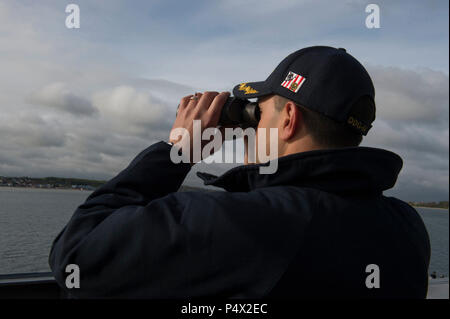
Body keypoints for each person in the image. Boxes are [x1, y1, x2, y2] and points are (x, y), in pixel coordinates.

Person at [49, 46, 430, 298]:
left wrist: (179, 150)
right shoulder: (406, 226)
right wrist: (260, 173)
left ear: (290, 119)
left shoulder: (241, 223)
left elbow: (78, 258)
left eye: (258, 114)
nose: (251, 127)